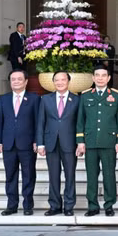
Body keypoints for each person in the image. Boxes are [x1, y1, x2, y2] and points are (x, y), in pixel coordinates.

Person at [76, 65, 118, 217]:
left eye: (104, 75)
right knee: (91, 175)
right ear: (93, 78)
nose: (100, 78)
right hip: (90, 141)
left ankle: (109, 205)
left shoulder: (116, 96)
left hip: (109, 141)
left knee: (109, 175)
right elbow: (80, 120)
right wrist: (80, 141)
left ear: (109, 78)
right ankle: (92, 205)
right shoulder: (84, 96)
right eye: (97, 75)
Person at [0, 69, 40, 216]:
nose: (16, 81)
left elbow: (38, 122)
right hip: (8, 143)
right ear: (10, 82)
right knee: (10, 175)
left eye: (19, 79)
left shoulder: (34, 98)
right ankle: (11, 205)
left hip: (27, 144)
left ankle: (27, 205)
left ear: (26, 81)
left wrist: (37, 141)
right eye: (13, 79)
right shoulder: (4, 99)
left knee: (29, 175)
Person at [36, 71, 79, 216]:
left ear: (68, 81)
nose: (60, 82)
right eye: (57, 80)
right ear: (53, 82)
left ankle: (69, 206)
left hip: (70, 143)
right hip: (51, 142)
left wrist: (80, 142)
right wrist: (40, 143)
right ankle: (54, 205)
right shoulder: (45, 99)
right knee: (53, 175)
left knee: (70, 175)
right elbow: (40, 122)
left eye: (63, 80)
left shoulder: (77, 99)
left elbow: (80, 123)